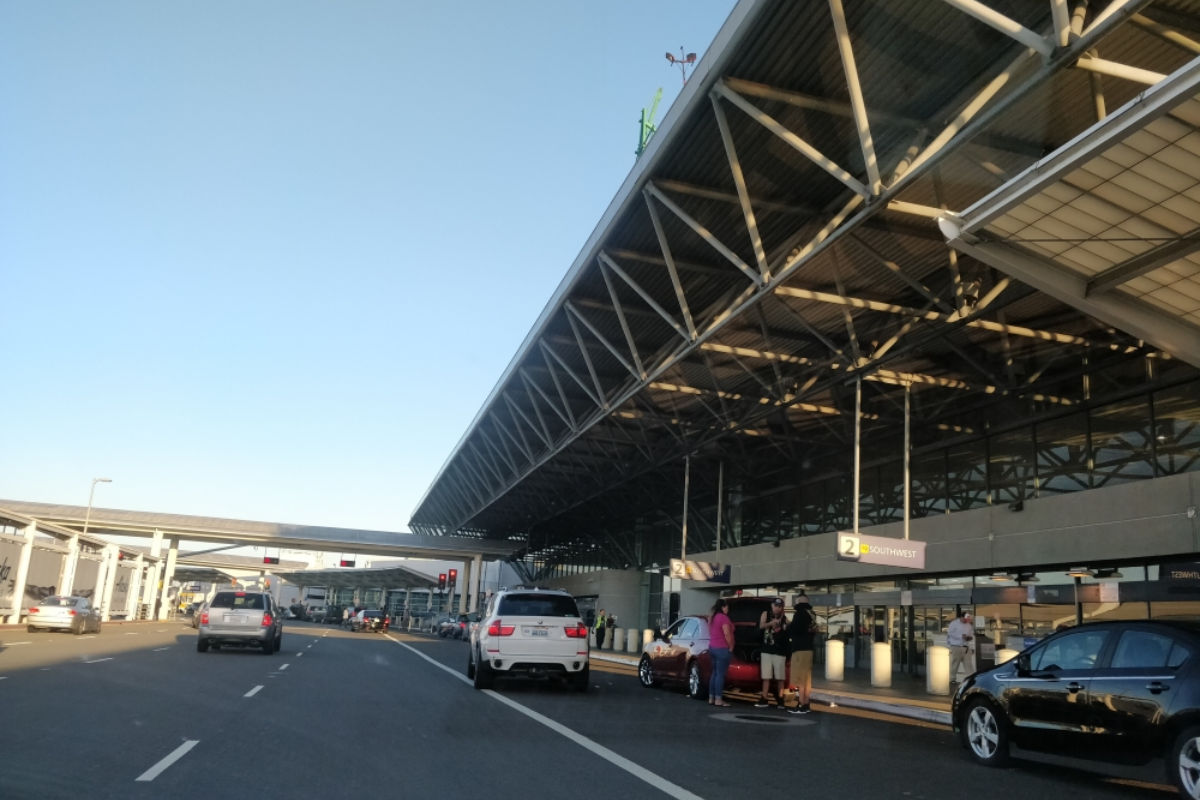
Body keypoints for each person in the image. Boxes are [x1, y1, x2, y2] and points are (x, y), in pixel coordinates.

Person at [756, 598, 789, 709]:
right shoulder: (766, 614)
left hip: (779, 651)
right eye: (776, 606)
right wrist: (771, 623)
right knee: (766, 676)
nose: (777, 608)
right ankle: (764, 698)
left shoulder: (784, 618)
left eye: (780, 606)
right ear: (772, 606)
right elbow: (761, 626)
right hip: (767, 649)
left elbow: (788, 630)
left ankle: (780, 699)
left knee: (780, 677)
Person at [787, 593, 816, 715]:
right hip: (809, 648)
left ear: (798, 602)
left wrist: (787, 626)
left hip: (799, 649)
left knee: (800, 679)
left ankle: (801, 704)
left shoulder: (799, 614)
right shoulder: (812, 614)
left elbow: (793, 629)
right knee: (807, 679)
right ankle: (807, 703)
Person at [707, 598, 734, 707]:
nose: (728, 610)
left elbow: (710, 632)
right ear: (723, 607)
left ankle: (711, 698)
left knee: (714, 673)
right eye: (727, 608)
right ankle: (718, 699)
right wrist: (731, 646)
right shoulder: (723, 618)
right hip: (722, 648)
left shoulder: (712, 618)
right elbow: (727, 633)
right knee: (720, 674)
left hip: (712, 647)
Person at [947, 610, 974, 684]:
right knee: (955, 663)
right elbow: (950, 633)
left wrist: (969, 637)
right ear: (961, 617)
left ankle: (970, 679)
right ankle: (952, 679)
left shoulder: (969, 625)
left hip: (966, 647)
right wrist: (961, 636)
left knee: (968, 664)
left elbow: (971, 634)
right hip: (956, 646)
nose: (966, 621)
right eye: (965, 619)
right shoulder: (954, 624)